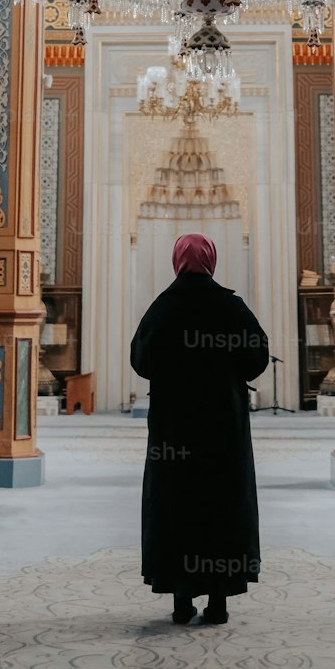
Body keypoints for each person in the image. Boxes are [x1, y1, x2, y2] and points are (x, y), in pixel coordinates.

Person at [130, 232, 270, 626]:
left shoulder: (162, 308)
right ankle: (219, 603)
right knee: (221, 504)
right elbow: (257, 357)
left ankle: (180, 601)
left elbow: (140, 360)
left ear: (177, 261)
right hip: (222, 428)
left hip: (174, 432)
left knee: (177, 504)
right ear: (212, 259)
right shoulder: (230, 306)